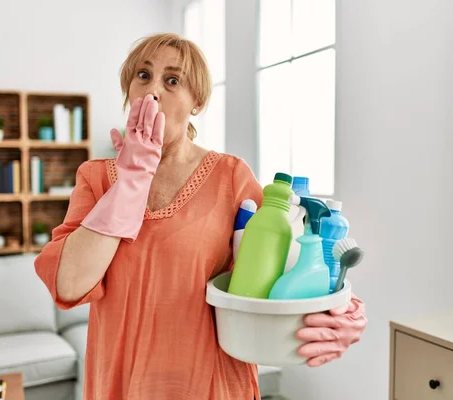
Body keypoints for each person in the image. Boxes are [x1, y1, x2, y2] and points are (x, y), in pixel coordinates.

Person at [34, 32, 367, 400]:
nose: (153, 91)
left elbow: (290, 264)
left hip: (210, 384)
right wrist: (129, 184)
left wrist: (344, 311)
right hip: (121, 383)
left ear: (197, 102)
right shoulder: (95, 178)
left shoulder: (231, 177)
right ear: (128, 90)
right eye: (143, 76)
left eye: (172, 80)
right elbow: (69, 284)